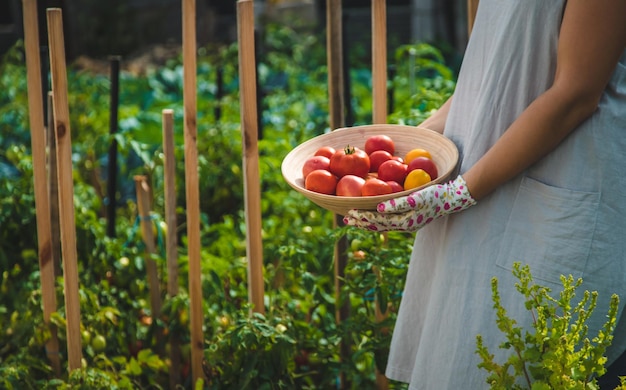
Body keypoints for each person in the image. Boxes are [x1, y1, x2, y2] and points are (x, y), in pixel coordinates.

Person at [344, 0, 626, 388]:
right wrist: (401, 158)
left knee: (543, 367)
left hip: (560, 191)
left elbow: (576, 93)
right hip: (485, 184)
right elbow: (487, 78)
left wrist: (456, 193)